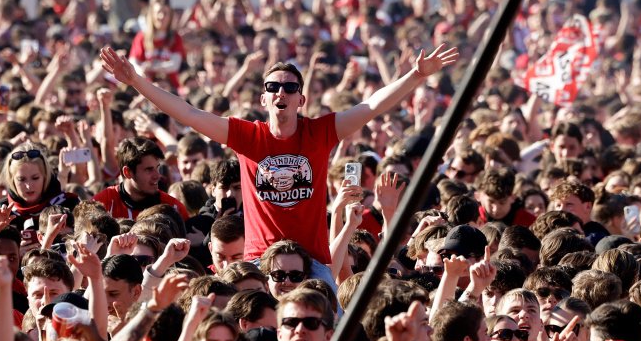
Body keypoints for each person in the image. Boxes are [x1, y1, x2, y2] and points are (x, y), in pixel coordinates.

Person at [99, 43, 457, 278]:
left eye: (289, 88)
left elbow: (372, 105)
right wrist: (134, 80)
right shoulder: (246, 136)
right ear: (263, 99)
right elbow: (187, 112)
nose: (281, 92)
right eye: (273, 87)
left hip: (315, 261)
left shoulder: (321, 132)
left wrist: (417, 75)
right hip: (258, 261)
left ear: (301, 99)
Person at [0, 143, 78, 232]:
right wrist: (13, 246)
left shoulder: (68, 204)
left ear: (45, 176)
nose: (29, 185)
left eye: (35, 178)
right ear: (11, 179)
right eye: (21, 179)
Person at [94, 137, 189, 221]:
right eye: (149, 169)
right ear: (127, 172)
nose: (157, 175)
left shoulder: (175, 209)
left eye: (157, 168)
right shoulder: (101, 206)